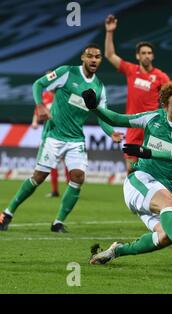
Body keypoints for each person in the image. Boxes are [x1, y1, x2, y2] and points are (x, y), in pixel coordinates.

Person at [84, 81, 172, 266]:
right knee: (170, 203)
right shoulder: (152, 118)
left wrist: (148, 152)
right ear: (164, 106)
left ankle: (116, 251)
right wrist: (95, 108)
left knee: (165, 236)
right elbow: (116, 119)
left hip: (158, 192)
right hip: (140, 181)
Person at [0, 43, 123, 233]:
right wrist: (40, 105)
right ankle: (7, 214)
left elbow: (103, 115)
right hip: (54, 135)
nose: (93, 59)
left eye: (97, 57)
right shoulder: (67, 72)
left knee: (78, 177)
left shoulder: (99, 87)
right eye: (90, 56)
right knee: (39, 177)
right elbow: (38, 84)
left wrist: (111, 132)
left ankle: (58, 222)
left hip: (76, 140)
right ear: (83, 57)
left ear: (100, 61)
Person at [104, 14, 170, 174]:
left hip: (151, 127)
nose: (147, 55)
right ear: (137, 56)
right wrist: (110, 32)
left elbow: (170, 100)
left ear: (152, 56)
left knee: (151, 170)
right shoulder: (131, 70)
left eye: (149, 53)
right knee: (131, 169)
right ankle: (132, 198)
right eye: (143, 53)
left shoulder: (161, 77)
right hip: (133, 125)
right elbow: (109, 55)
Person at [31, 90, 70, 198]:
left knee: (68, 162)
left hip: (64, 132)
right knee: (52, 163)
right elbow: (37, 109)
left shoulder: (64, 93)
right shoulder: (45, 95)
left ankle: (70, 189)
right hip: (50, 133)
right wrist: (34, 121)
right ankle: (55, 191)